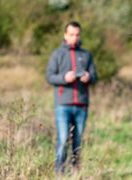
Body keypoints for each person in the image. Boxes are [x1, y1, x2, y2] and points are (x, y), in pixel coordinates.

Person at [46, 21, 97, 174]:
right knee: (63, 140)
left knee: (77, 142)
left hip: (82, 105)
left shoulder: (86, 54)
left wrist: (89, 77)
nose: (74, 37)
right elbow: (49, 77)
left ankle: (75, 173)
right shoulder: (57, 54)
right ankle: (59, 174)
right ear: (65, 35)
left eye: (77, 34)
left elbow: (95, 76)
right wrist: (64, 78)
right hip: (63, 105)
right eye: (71, 34)